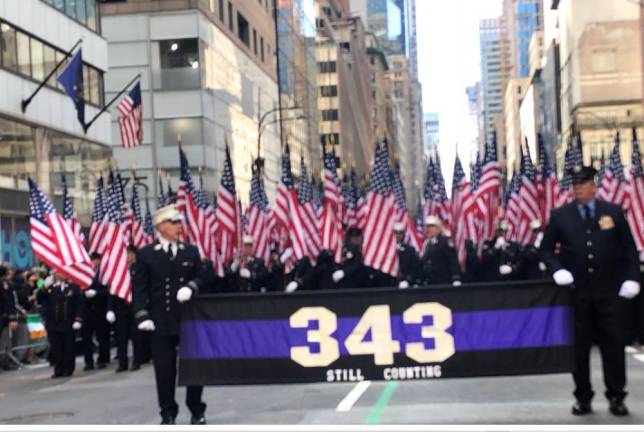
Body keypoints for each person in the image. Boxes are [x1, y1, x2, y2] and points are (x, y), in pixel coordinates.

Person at [540, 165, 640, 417]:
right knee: (579, 349)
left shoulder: (613, 213)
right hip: (578, 294)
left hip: (609, 293)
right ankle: (583, 397)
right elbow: (546, 250)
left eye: (582, 184)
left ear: (594, 186)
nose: (577, 188)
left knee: (614, 347)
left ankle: (617, 396)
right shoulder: (561, 215)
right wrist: (556, 270)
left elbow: (628, 249)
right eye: (574, 184)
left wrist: (632, 278)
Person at [132, 204, 210, 425]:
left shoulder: (190, 251)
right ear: (161, 226)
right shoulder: (146, 254)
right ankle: (167, 413)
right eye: (173, 223)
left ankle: (197, 409)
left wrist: (192, 286)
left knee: (194, 368)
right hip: (160, 321)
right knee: (164, 371)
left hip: (188, 320)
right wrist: (142, 315)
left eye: (179, 222)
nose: (178, 227)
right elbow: (139, 288)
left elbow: (205, 276)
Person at [108, 245, 150, 372]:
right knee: (121, 338)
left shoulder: (139, 269)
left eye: (129, 254)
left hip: (135, 307)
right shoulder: (118, 271)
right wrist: (110, 309)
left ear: (134, 255)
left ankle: (137, 361)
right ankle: (122, 363)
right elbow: (113, 290)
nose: (127, 256)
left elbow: (144, 287)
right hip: (121, 308)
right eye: (125, 254)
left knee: (136, 336)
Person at [36, 271, 83, 378]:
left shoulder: (73, 287)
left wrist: (78, 319)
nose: (61, 274)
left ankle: (68, 368)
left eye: (63, 272)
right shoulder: (50, 288)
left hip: (68, 322)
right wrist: (43, 287)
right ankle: (58, 369)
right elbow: (39, 298)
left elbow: (79, 304)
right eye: (58, 272)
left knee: (68, 347)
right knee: (56, 347)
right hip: (53, 323)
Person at [82, 253, 110, 371]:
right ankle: (88, 361)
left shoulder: (104, 274)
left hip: (100, 308)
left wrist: (97, 293)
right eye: (92, 260)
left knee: (101, 336)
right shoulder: (85, 273)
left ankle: (102, 359)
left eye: (95, 260)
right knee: (86, 337)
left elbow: (109, 290)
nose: (94, 262)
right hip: (87, 309)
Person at [420, 216, 461, 286]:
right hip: (430, 282)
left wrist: (456, 278)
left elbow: (452, 261)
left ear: (439, 228)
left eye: (431, 227)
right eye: (427, 227)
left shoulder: (445, 242)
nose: (428, 229)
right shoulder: (427, 244)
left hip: (443, 282)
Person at [393, 222, 421, 288]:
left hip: (406, 285)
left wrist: (408, 280)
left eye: (400, 233)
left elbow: (414, 267)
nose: (398, 235)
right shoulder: (385, 250)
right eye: (396, 232)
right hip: (390, 284)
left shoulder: (410, 250)